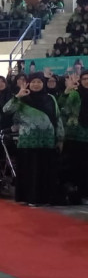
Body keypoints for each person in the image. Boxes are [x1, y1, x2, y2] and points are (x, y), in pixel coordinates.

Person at [4, 72, 63, 206]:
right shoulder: (22, 98)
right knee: (30, 172)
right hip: (28, 142)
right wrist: (18, 96)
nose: (36, 85)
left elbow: (58, 118)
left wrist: (60, 138)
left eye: (39, 82)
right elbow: (6, 110)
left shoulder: (51, 98)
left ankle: (45, 198)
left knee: (45, 171)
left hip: (47, 142)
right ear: (29, 83)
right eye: (34, 82)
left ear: (43, 84)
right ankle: (29, 198)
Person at [60, 71, 88, 202]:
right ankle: (78, 192)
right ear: (80, 81)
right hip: (75, 136)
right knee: (77, 166)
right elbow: (62, 108)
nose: (87, 81)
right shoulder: (75, 94)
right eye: (84, 79)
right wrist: (67, 91)